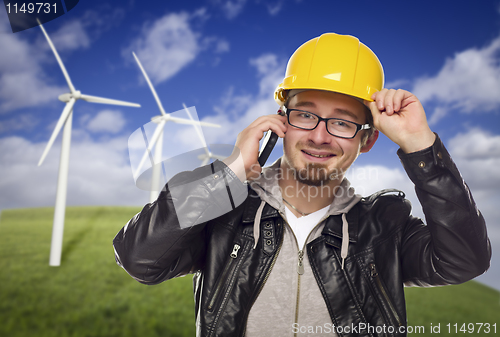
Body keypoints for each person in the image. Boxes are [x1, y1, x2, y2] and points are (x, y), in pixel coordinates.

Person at [113, 33, 491, 336]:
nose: (320, 136)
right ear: (281, 120)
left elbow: (464, 261)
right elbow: (140, 260)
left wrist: (420, 146)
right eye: (305, 114)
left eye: (341, 122)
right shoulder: (223, 212)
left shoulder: (384, 228)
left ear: (368, 139)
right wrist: (227, 175)